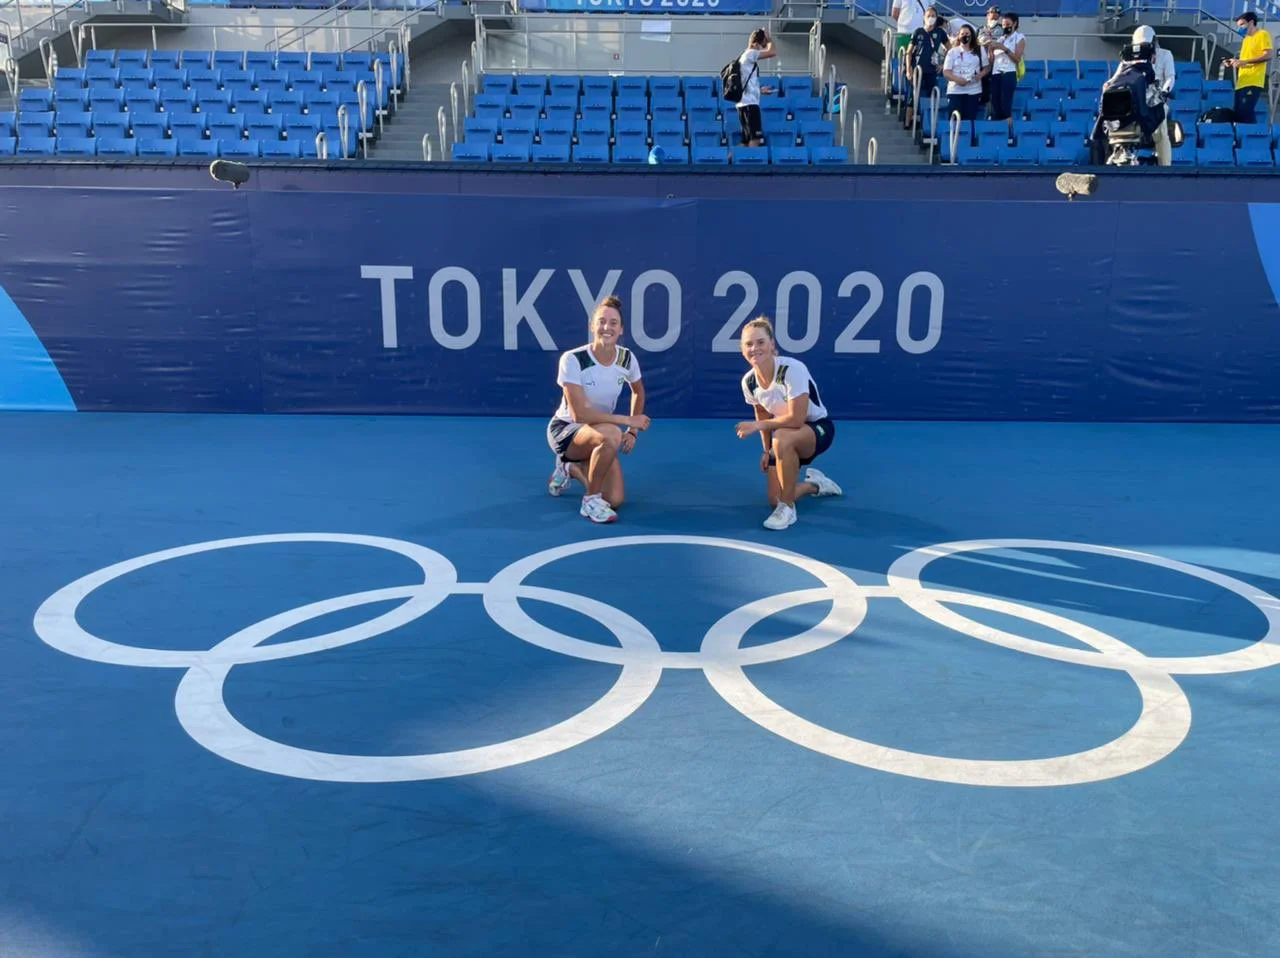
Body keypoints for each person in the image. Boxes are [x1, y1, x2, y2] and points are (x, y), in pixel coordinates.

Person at [546, 295, 651, 524]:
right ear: (592, 326)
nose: (607, 327)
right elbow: (579, 415)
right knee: (612, 432)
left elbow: (638, 392)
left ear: (621, 329)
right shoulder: (573, 359)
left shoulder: (626, 358)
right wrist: (627, 421)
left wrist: (632, 432)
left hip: (600, 431)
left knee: (615, 499)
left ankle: (569, 468)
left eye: (613, 323)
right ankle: (590, 500)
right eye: (602, 321)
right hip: (567, 431)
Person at [734, 317, 842, 531]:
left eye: (760, 342)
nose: (754, 348)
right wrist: (766, 451)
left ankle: (788, 509)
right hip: (781, 439)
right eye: (748, 344)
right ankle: (816, 485)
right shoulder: (749, 381)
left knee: (782, 436)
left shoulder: (792, 369)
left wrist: (757, 427)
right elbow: (762, 413)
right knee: (775, 498)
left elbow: (797, 419)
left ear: (772, 344)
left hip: (817, 430)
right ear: (742, 350)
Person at [1103, 25, 1174, 166]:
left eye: (1146, 44)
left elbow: (1170, 77)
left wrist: (1165, 91)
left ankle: (1165, 164)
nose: (1144, 47)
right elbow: (1117, 77)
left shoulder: (1165, 54)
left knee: (1161, 128)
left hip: (1154, 97)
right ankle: (1119, 150)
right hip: (1133, 98)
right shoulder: (1129, 57)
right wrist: (1108, 84)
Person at [1224, 12, 1273, 125]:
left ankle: (1256, 138)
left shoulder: (1262, 34)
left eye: (1242, 25)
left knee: (1246, 113)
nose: (1239, 28)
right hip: (1241, 82)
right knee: (1238, 114)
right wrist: (1233, 62)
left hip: (1253, 81)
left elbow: (1269, 55)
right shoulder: (1246, 39)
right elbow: (1245, 60)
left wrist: (1244, 61)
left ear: (1251, 22)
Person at [907, 7, 949, 128]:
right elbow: (909, 52)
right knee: (912, 97)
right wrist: (909, 69)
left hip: (932, 70)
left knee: (934, 95)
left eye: (933, 16)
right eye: (928, 16)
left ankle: (931, 124)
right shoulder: (918, 32)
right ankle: (907, 123)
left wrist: (943, 64)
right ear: (924, 18)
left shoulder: (940, 33)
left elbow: (950, 49)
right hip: (917, 70)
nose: (931, 18)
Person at [735, 28, 776, 147]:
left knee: (746, 141)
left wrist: (760, 90)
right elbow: (772, 52)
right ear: (755, 43)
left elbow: (746, 83)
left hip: (743, 104)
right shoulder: (750, 53)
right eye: (760, 46)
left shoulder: (743, 56)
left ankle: (729, 160)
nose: (760, 49)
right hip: (750, 105)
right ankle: (749, 164)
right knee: (755, 139)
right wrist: (769, 40)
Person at [986, 11, 1025, 132]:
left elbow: (1017, 59)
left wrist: (1005, 49)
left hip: (1008, 73)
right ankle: (997, 132)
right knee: (996, 105)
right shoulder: (1001, 39)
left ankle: (1008, 133)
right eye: (1003, 24)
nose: (1005, 27)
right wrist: (990, 51)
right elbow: (991, 61)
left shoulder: (1020, 38)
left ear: (1015, 24)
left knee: (1005, 106)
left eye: (1008, 24)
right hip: (996, 73)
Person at [943, 25, 986, 130]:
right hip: (955, 91)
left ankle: (968, 142)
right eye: (962, 34)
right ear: (958, 36)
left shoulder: (979, 50)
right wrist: (958, 80)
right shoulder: (952, 52)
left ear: (972, 36)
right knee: (954, 120)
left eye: (967, 34)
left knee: (969, 121)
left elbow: (987, 67)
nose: (964, 36)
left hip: (973, 91)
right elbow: (946, 72)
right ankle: (952, 142)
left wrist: (979, 75)